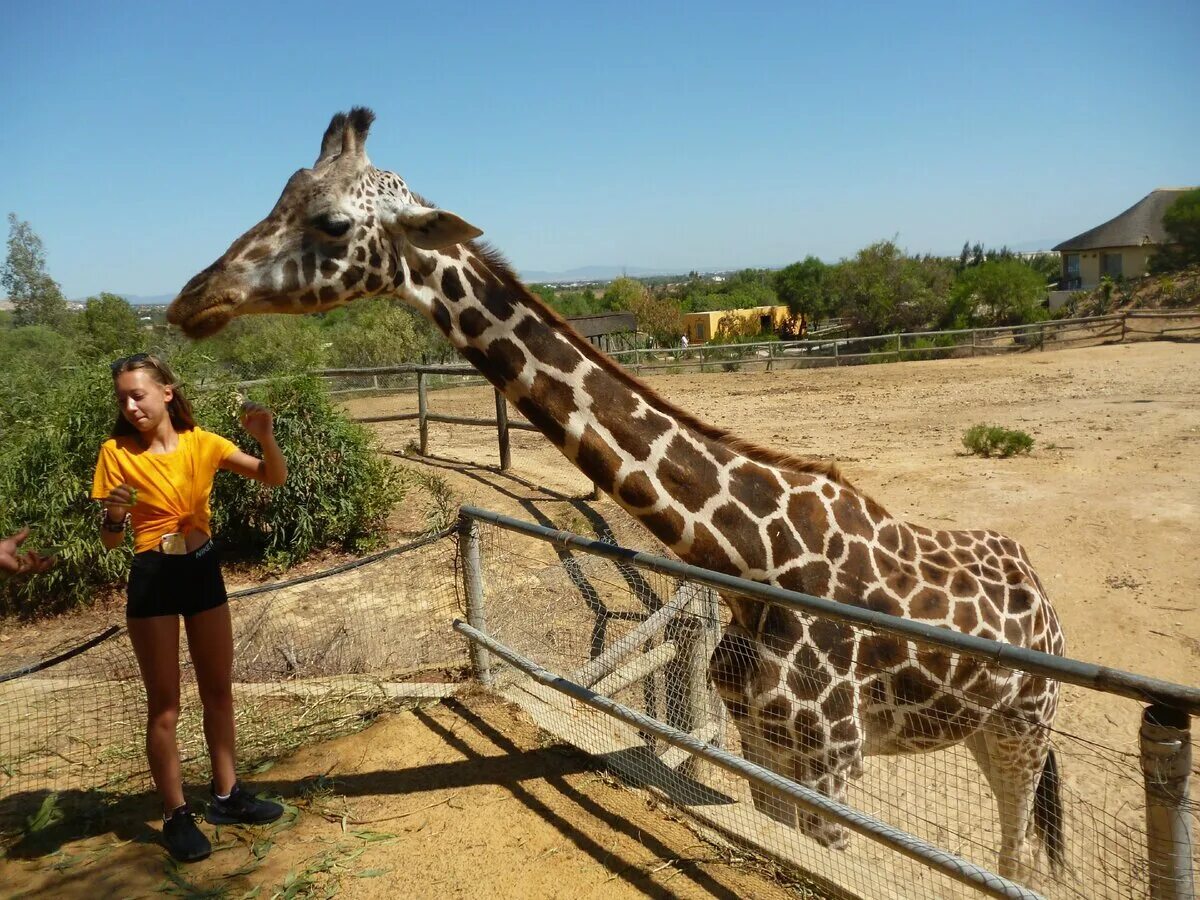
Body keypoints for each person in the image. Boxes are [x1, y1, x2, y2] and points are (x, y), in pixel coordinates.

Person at [93, 353, 288, 862]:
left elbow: (272, 476)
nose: (131, 405)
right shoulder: (115, 452)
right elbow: (113, 542)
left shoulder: (203, 443)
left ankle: (226, 796)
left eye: (139, 394)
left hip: (202, 569)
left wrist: (265, 434)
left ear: (167, 392)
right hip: (153, 578)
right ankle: (176, 814)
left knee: (218, 691)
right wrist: (114, 516)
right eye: (123, 398)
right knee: (165, 704)